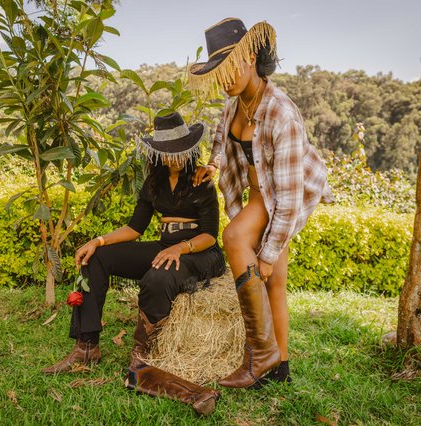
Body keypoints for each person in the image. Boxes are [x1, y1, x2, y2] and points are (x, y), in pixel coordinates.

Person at [41, 111, 225, 414]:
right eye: (167, 152)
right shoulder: (153, 183)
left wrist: (180, 248)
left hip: (200, 252)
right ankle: (86, 348)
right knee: (96, 260)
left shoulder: (201, 180)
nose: (174, 158)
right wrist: (97, 242)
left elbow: (209, 235)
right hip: (167, 245)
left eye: (179, 150)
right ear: (158, 153)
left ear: (190, 148)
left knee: (158, 275)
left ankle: (142, 354)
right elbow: (134, 229)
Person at [188, 18, 334, 388]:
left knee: (235, 237)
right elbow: (223, 137)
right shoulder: (235, 102)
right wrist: (212, 164)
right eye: (217, 72)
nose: (224, 79)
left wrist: (267, 254)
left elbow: (286, 197)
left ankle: (258, 353)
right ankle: (279, 366)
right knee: (275, 284)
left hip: (287, 193)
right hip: (259, 193)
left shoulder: (281, 113)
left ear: (251, 56)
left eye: (229, 67)